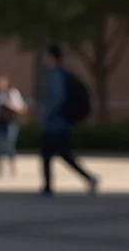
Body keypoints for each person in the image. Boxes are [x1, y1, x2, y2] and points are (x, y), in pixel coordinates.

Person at [41, 45, 98, 196]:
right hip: (62, 121)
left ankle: (47, 187)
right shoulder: (61, 74)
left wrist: (47, 115)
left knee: (48, 154)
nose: (43, 59)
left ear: (52, 57)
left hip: (56, 123)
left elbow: (57, 98)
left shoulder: (55, 75)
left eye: (46, 56)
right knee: (64, 154)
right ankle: (89, 178)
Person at [0, 76, 27, 178]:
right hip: (0, 122)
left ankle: (12, 167)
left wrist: (10, 105)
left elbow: (22, 108)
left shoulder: (13, 94)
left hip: (11, 122)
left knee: (10, 144)